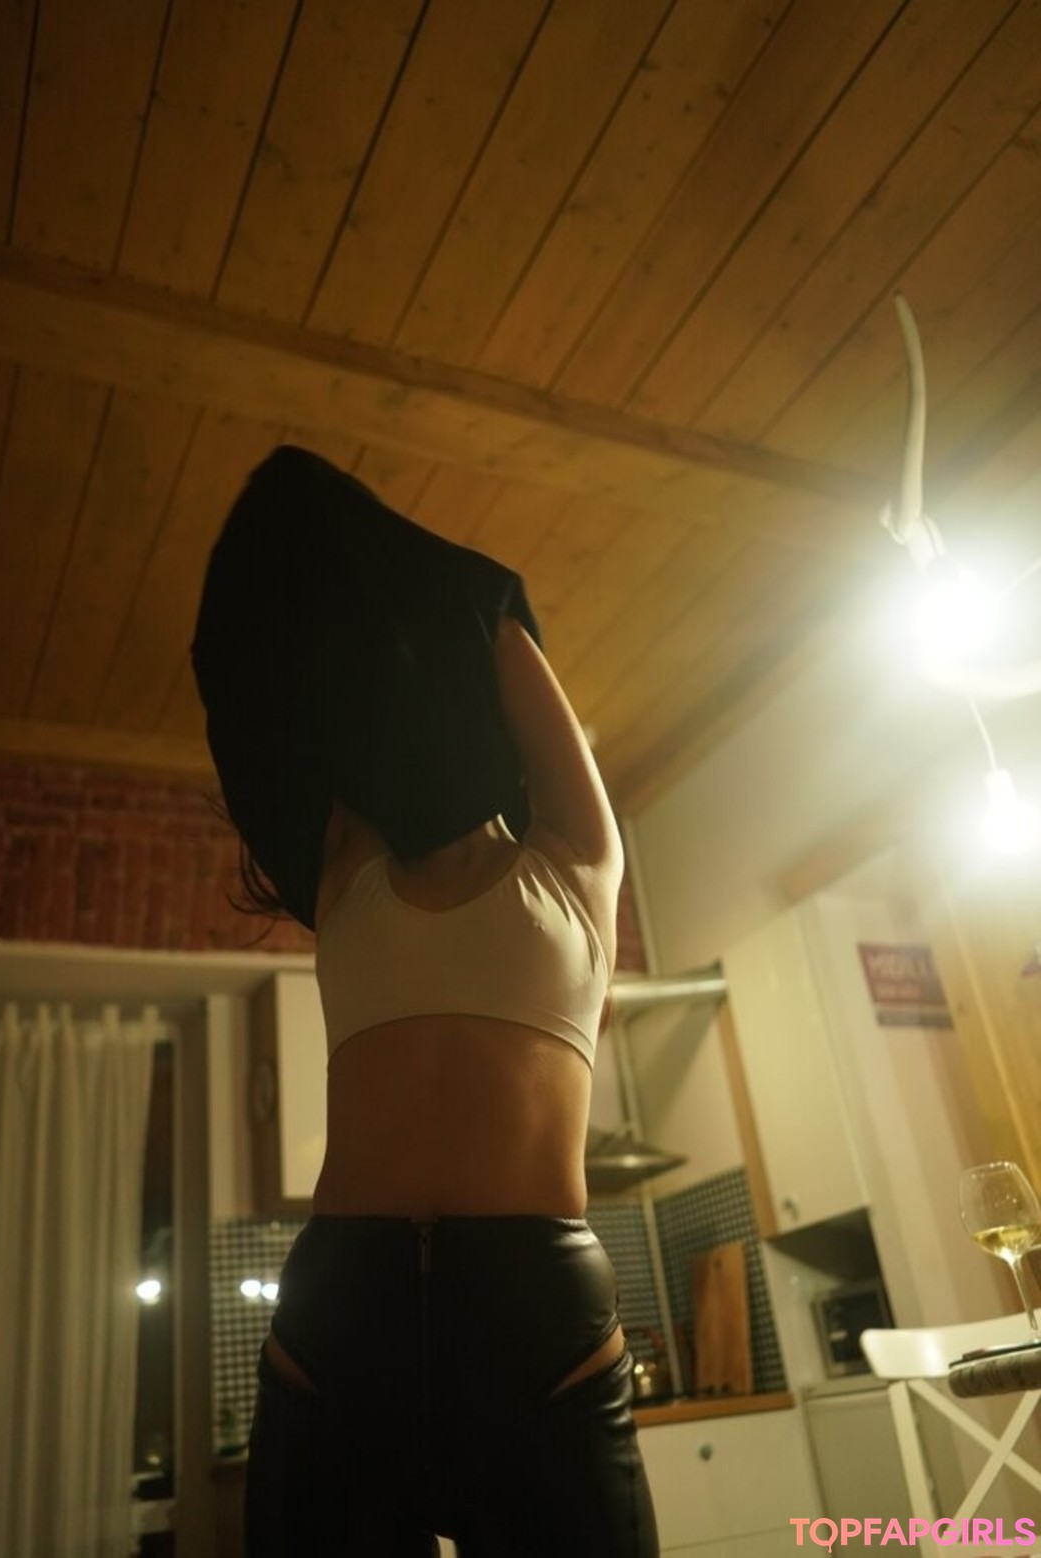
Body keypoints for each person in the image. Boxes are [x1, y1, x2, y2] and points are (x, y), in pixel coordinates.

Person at [192, 448, 659, 1556]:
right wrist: (299, 533)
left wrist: (361, 542)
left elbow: (486, 622)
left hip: (518, 1318)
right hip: (356, 1313)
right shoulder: (348, 859)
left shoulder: (578, 858)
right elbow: (300, 671)